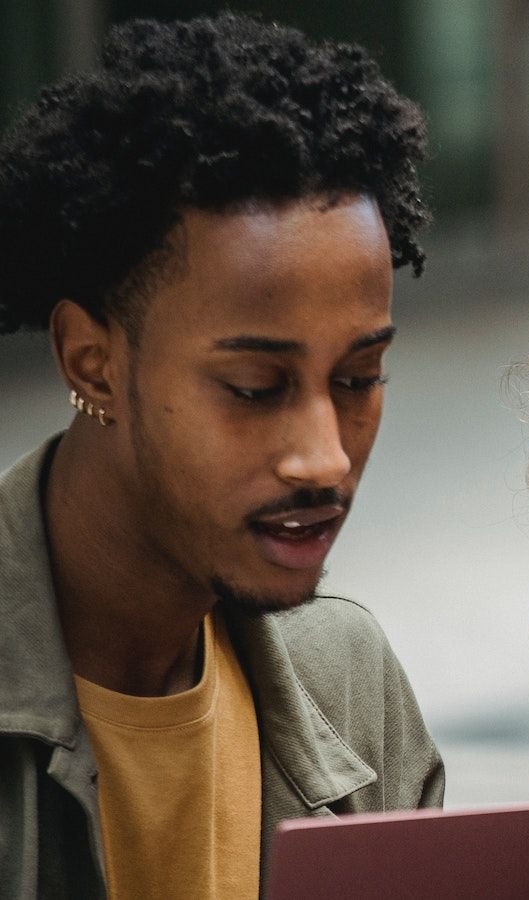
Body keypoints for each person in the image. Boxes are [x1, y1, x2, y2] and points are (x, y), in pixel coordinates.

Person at [0, 14, 444, 898]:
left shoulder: (348, 679)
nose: (324, 460)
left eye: (359, 378)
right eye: (254, 387)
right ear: (94, 361)